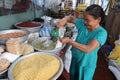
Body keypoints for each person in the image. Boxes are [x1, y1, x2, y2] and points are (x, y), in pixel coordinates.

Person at [57, 4, 107, 80]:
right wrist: (64, 20)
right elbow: (70, 18)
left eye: (87, 20)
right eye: (84, 19)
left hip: (86, 64)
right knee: (73, 77)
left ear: (98, 20)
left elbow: (88, 49)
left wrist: (69, 41)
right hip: (75, 59)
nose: (84, 22)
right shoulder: (83, 25)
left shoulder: (101, 33)